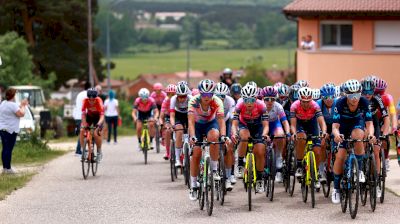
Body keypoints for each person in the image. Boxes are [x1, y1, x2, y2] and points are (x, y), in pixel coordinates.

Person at [331, 79, 375, 204]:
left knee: (359, 135)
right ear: (346, 94)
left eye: (357, 95)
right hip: (342, 127)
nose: (354, 98)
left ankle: (359, 170)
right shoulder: (340, 103)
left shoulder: (364, 102)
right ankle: (336, 189)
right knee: (340, 157)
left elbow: (369, 123)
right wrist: (336, 135)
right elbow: (334, 126)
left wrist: (371, 135)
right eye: (351, 95)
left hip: (357, 124)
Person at [188, 79, 228, 201]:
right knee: (196, 154)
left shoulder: (217, 102)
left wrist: (223, 136)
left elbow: (221, 121)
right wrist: (193, 136)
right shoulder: (193, 101)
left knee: (214, 138)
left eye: (209, 94)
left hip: (211, 124)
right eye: (204, 94)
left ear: (213, 94)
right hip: (197, 126)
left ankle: (214, 169)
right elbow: (190, 121)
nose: (207, 97)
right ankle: (194, 185)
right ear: (200, 93)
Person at [231, 85, 270, 193]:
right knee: (244, 137)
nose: (249, 103)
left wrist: (264, 135)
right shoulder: (239, 105)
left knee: (260, 151)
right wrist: (234, 134)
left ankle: (260, 179)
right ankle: (240, 164)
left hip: (258, 127)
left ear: (256, 99)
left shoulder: (261, 106)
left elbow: (266, 125)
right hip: (244, 125)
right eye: (246, 100)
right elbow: (234, 124)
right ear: (243, 99)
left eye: (252, 100)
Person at [290, 87, 327, 189]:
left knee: (317, 151)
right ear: (299, 100)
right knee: (301, 138)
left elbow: (322, 121)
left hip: (312, 124)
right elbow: (293, 124)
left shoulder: (315, 106)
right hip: (300, 124)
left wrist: (323, 132)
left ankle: (316, 173)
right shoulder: (294, 106)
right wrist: (293, 133)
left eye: (308, 101)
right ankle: (299, 166)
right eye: (304, 101)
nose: (306, 104)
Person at [261, 86, 291, 183]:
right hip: (261, 125)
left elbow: (285, 122)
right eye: (267, 99)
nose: (269, 101)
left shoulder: (278, 106)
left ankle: (278, 158)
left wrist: (288, 133)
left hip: (274, 124)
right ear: (263, 98)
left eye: (272, 99)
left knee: (280, 135)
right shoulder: (259, 106)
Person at [0, 88, 28, 174]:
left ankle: (5, 168)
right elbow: (21, 114)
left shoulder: (3, 103)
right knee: (8, 149)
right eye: (15, 94)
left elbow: (14, 108)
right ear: (13, 96)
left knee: (5, 149)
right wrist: (23, 105)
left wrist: (20, 105)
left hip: (3, 129)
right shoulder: (13, 105)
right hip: (10, 130)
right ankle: (8, 169)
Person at [215, 82, 236, 190]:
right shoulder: (211, 101)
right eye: (218, 96)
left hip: (226, 121)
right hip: (214, 122)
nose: (220, 98)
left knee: (229, 147)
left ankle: (228, 176)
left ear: (226, 95)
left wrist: (232, 133)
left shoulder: (230, 101)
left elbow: (232, 120)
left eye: (222, 96)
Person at [80, 88, 105, 162]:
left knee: (96, 133)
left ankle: (99, 152)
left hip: (98, 118)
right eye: (89, 99)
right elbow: (83, 114)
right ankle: (83, 151)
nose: (91, 101)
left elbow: (102, 115)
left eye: (93, 99)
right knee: (82, 130)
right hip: (89, 117)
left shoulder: (99, 101)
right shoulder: (85, 101)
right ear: (88, 98)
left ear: (96, 98)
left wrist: (98, 124)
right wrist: (84, 124)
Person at [169, 83, 192, 167]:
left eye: (184, 96)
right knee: (179, 131)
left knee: (191, 130)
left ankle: (190, 150)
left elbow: (194, 115)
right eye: (180, 96)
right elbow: (172, 116)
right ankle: (177, 159)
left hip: (188, 115)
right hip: (178, 115)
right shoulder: (173, 99)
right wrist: (173, 125)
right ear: (177, 95)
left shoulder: (190, 98)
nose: (182, 98)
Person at [73, 82, 90, 156]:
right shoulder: (88, 95)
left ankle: (82, 148)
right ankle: (78, 151)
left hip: (77, 116)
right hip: (83, 116)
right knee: (83, 133)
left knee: (83, 133)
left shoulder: (79, 94)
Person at [159, 84, 176, 160]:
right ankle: (168, 152)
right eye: (169, 94)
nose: (171, 96)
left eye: (173, 94)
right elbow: (161, 116)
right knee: (168, 131)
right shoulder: (165, 101)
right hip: (169, 117)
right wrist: (161, 123)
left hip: (178, 116)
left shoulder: (178, 100)